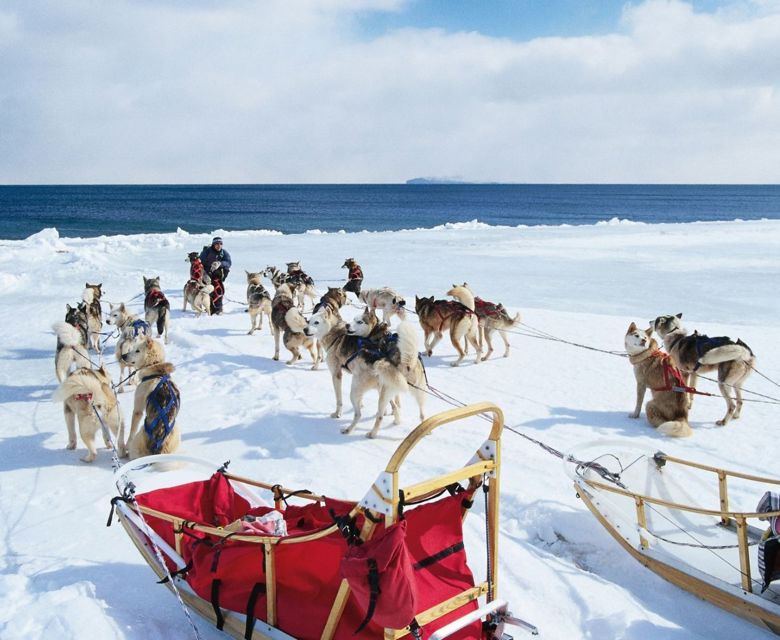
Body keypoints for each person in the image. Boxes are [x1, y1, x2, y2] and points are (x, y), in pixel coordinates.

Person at [199, 237, 232, 315]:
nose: (219, 246)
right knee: (207, 289)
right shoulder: (206, 252)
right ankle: (207, 305)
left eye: (221, 244)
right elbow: (200, 263)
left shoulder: (224, 253)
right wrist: (203, 274)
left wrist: (220, 263)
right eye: (217, 244)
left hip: (218, 274)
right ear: (213, 244)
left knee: (218, 289)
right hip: (206, 273)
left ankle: (218, 308)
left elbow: (229, 263)